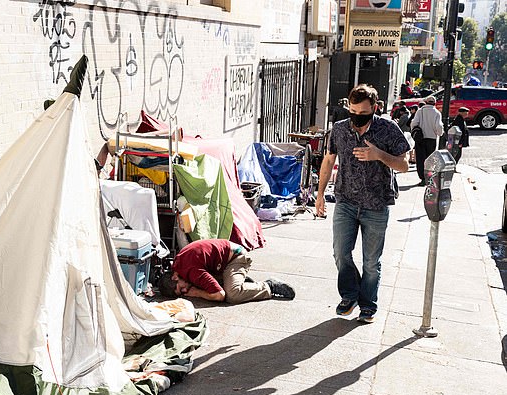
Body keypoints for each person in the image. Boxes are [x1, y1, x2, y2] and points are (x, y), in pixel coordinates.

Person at [315, 84, 410, 323]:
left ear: (375, 108)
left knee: (371, 261)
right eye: (353, 111)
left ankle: (368, 305)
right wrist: (319, 195)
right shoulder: (338, 129)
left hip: (376, 205)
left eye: (363, 112)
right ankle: (349, 295)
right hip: (345, 201)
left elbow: (404, 164)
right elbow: (328, 162)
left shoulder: (388, 129)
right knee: (340, 253)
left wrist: (379, 155)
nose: (357, 117)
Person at [157, 239, 295, 303]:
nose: (186, 292)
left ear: (175, 277)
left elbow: (219, 295)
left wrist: (198, 293)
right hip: (221, 263)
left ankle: (268, 286)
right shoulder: (178, 268)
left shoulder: (191, 270)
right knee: (206, 287)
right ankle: (238, 282)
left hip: (237, 257)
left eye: (181, 289)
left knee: (232, 295)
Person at [410, 95, 444, 186]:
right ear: (435, 103)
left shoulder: (420, 111)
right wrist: (440, 133)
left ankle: (422, 178)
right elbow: (439, 127)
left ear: (426, 102)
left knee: (420, 159)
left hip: (420, 139)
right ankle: (429, 177)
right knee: (430, 160)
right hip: (431, 139)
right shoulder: (437, 113)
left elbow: (414, 123)